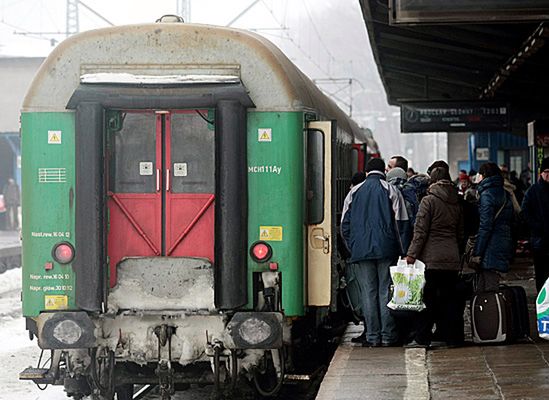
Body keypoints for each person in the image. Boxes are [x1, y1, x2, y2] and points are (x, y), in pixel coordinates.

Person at [341, 158, 408, 347]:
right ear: (383, 172)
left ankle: (372, 336)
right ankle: (387, 336)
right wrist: (403, 250)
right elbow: (401, 223)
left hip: (361, 251)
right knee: (385, 291)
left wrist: (352, 247)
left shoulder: (354, 192)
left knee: (368, 294)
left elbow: (344, 226)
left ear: (367, 171)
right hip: (387, 250)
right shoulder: (391, 190)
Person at [405, 167, 464, 348]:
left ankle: (422, 338)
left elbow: (420, 231)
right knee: (450, 301)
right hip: (451, 257)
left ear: (432, 181)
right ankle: (453, 338)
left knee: (427, 300)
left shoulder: (428, 201)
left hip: (431, 259)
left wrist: (411, 254)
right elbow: (460, 232)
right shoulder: (456, 201)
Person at [471, 163, 514, 292]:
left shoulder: (487, 195)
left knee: (488, 289)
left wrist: (477, 252)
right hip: (502, 241)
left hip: (490, 245)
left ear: (483, 175)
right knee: (489, 286)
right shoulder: (505, 193)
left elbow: (485, 226)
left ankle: (491, 312)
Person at [521, 157, 549, 293]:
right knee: (542, 276)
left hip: (540, 239)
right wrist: (537, 227)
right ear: (541, 173)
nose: (548, 174)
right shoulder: (532, 192)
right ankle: (544, 308)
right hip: (540, 241)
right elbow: (525, 213)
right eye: (546, 171)